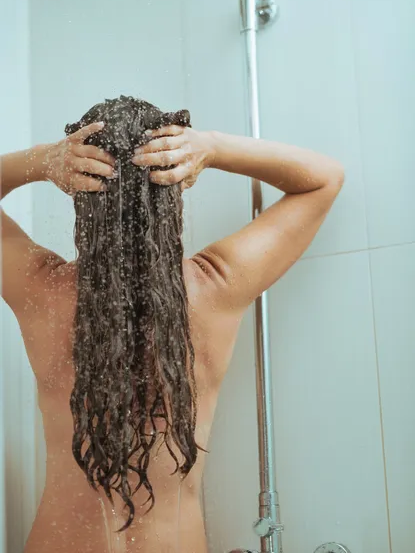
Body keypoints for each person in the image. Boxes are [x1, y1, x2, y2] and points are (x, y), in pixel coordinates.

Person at [0, 96, 344, 553]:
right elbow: (323, 180)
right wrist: (211, 147)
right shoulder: (213, 286)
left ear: (79, 195)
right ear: (173, 188)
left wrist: (42, 161)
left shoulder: (42, 289)